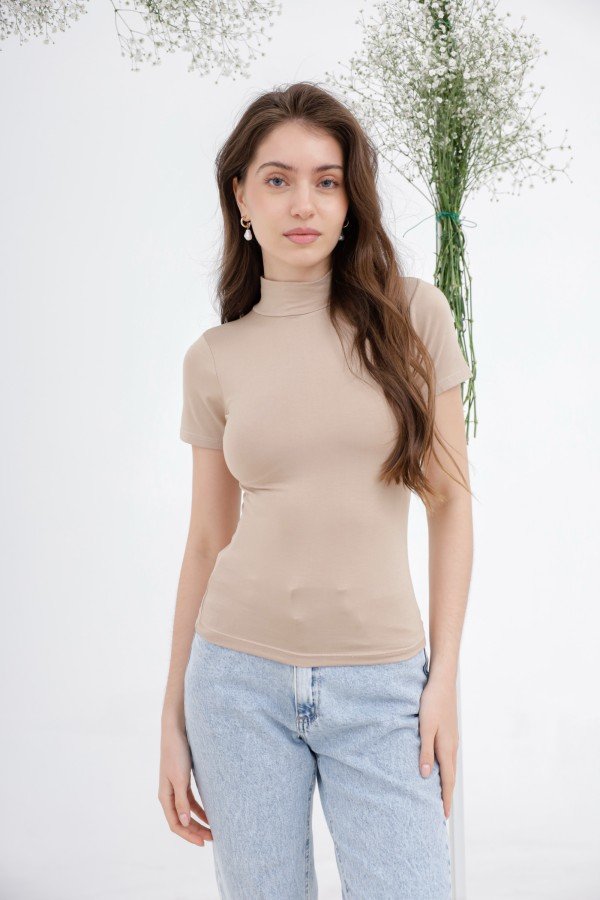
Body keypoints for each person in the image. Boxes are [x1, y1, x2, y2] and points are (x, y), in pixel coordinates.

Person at [159, 81, 473, 899]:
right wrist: (171, 718)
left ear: (349, 199)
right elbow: (206, 541)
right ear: (240, 196)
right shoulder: (214, 358)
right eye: (278, 179)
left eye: (327, 181)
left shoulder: (414, 316)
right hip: (236, 685)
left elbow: (450, 502)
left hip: (383, 687)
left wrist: (442, 681)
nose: (304, 203)